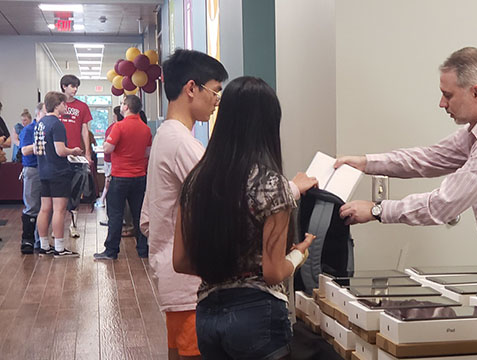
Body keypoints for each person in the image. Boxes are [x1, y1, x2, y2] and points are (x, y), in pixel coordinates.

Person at [173, 76, 317, 359]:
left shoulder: (195, 181)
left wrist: (223, 266)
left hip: (206, 315)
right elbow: (273, 272)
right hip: (258, 315)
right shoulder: (272, 185)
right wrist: (299, 254)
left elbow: (180, 261)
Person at [335, 47, 477, 273]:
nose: (442, 103)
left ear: (476, 93)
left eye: (448, 95)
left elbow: (442, 205)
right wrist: (364, 163)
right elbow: (427, 158)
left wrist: (377, 210)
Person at [140, 49, 228, 360]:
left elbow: (148, 218)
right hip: (188, 283)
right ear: (192, 88)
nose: (217, 101)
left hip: (174, 275)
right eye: (215, 91)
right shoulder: (182, 144)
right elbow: (224, 198)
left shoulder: (166, 135)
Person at [93, 95, 152, 260]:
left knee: (116, 214)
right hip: (139, 177)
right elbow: (147, 153)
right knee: (139, 214)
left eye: (121, 104)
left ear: (126, 107)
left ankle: (111, 251)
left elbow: (108, 148)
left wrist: (105, 145)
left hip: (120, 177)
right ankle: (143, 250)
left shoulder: (118, 126)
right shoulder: (146, 129)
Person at [35, 91, 83, 258]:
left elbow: (37, 149)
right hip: (58, 172)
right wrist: (74, 150)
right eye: (63, 104)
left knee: (44, 209)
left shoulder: (40, 124)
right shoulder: (57, 124)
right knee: (59, 210)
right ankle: (60, 248)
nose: (65, 106)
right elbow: (60, 151)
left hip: (43, 171)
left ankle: (43, 246)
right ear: (57, 105)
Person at [59, 74, 93, 238]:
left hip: (76, 155)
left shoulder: (82, 106)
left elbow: (85, 130)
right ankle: (56, 226)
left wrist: (87, 152)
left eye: (76, 86)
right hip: (58, 155)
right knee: (57, 193)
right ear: (64, 86)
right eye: (72, 86)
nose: (75, 89)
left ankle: (73, 225)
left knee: (75, 192)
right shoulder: (56, 105)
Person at [19, 103, 45, 254]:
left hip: (46, 169)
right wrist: (40, 145)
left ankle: (40, 239)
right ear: (39, 113)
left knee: (45, 207)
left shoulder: (49, 128)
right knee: (32, 206)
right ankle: (27, 240)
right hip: (33, 169)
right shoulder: (29, 130)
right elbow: (25, 150)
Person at [96, 106, 124, 208]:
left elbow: (106, 144)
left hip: (111, 159)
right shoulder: (114, 127)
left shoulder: (115, 127)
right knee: (108, 180)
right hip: (110, 159)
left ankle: (103, 199)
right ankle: (103, 199)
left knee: (109, 180)